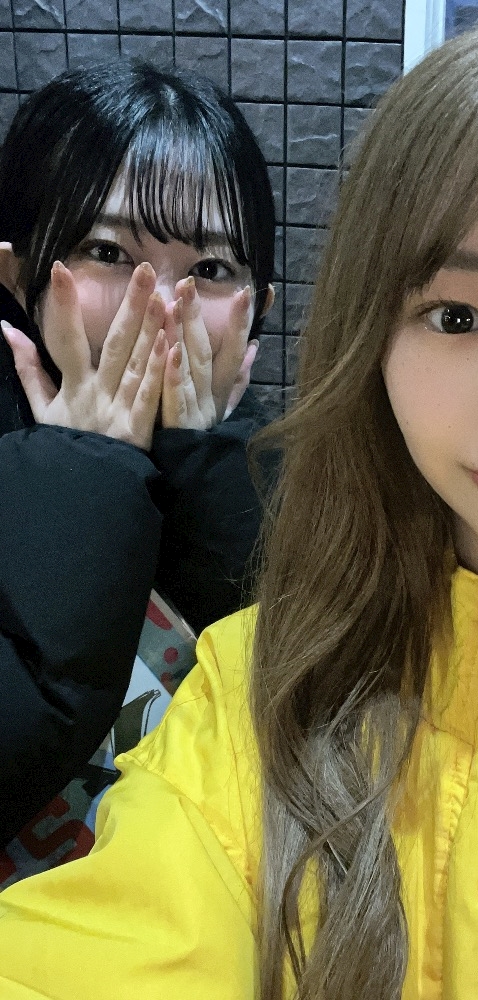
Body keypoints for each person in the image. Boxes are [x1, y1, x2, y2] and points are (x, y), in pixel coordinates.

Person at [1, 11, 478, 999]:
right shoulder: (251, 690)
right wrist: (91, 467)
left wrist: (193, 459)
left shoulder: (253, 507)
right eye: (456, 314)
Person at [0, 60, 276, 852]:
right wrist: (86, 469)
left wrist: (210, 474)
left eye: (211, 270)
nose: (158, 303)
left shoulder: (297, 486)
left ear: (256, 307)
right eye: (107, 252)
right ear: (16, 275)